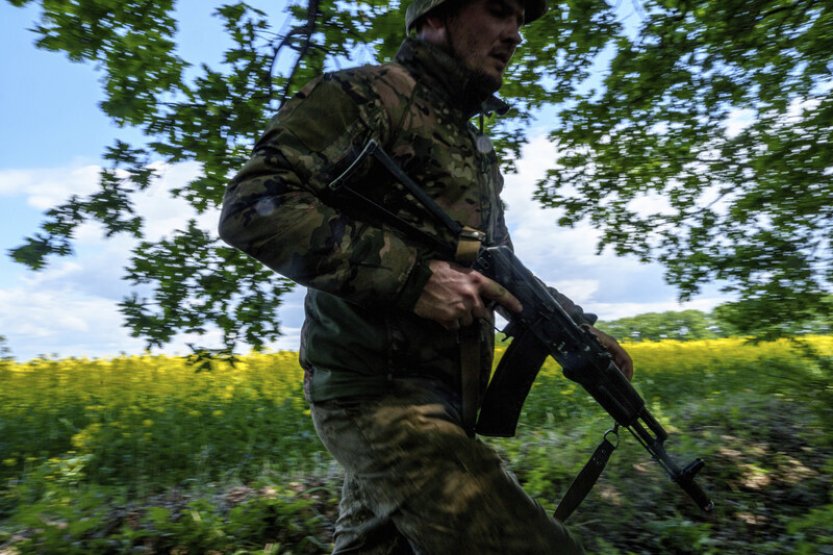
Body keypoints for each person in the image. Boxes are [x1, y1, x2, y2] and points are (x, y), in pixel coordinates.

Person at [219, 0, 634, 552]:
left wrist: (580, 333)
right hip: (381, 397)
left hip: (445, 398)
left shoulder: (470, 144)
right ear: (436, 16)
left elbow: (499, 264)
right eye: (499, 10)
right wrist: (414, 279)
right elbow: (251, 207)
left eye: (520, 20)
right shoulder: (363, 95)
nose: (515, 33)